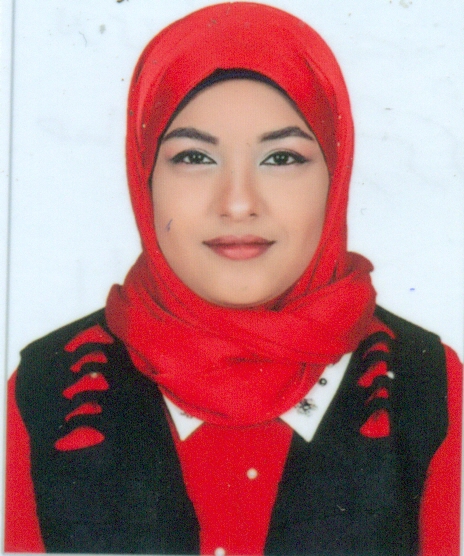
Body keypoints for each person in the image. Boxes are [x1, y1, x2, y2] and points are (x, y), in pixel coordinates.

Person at [5, 3, 462, 555]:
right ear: (145, 175)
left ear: (335, 175)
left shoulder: (428, 386)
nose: (239, 203)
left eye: (282, 158)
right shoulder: (47, 390)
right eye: (195, 157)